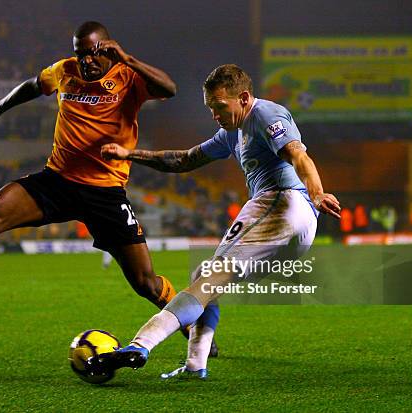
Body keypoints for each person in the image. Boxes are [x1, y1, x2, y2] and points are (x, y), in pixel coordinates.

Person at [0, 21, 183, 336]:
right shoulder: (65, 70)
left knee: (145, 282)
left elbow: (169, 89)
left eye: (93, 54)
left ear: (108, 48)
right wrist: (0, 107)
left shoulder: (128, 76)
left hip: (105, 193)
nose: (86, 62)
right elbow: (32, 85)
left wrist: (128, 58)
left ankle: (192, 323)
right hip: (57, 181)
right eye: (80, 54)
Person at [95, 64, 341, 379]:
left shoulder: (265, 115)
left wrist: (317, 192)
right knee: (205, 276)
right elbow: (184, 160)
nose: (215, 114)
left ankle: (141, 344)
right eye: (211, 108)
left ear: (244, 97)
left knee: (207, 280)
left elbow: (298, 155)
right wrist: (129, 154)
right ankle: (195, 366)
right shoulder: (231, 133)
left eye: (220, 106)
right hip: (295, 227)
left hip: (281, 204)